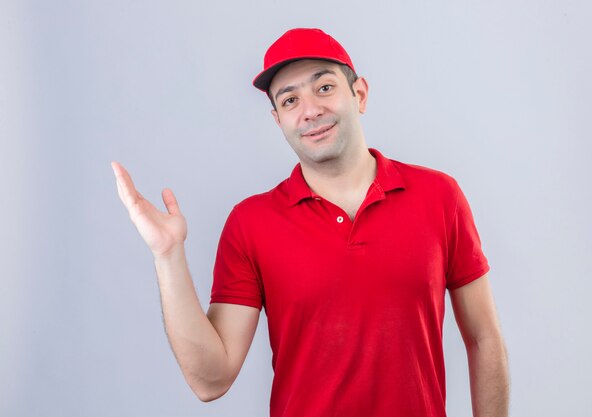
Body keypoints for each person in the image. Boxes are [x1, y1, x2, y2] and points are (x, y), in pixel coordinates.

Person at [111, 28, 509, 417]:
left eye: (324, 88)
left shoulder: (439, 196)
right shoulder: (251, 223)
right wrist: (167, 256)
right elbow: (210, 381)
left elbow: (483, 338)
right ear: (278, 121)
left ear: (360, 95)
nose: (310, 111)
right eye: (289, 100)